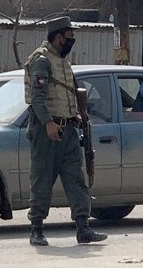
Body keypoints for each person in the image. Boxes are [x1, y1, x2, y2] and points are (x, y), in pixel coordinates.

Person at [24, 15, 105, 247]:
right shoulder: (42, 60)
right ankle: (36, 229)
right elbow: (38, 99)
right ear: (58, 37)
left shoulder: (62, 61)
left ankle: (83, 228)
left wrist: (75, 114)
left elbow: (66, 92)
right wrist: (49, 123)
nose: (73, 40)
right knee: (41, 178)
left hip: (68, 128)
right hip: (46, 130)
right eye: (69, 35)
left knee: (76, 179)